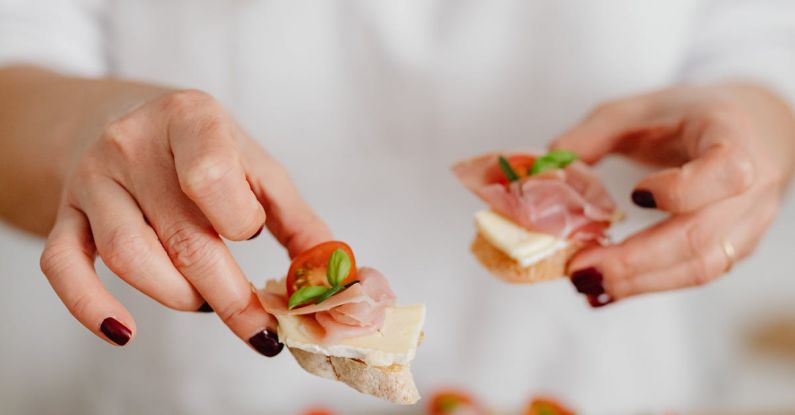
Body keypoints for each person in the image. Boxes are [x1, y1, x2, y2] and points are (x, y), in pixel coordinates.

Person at [1, 1, 794, 413]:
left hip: (599, 376)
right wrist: (88, 136)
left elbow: (759, 40)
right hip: (195, 389)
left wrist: (754, 126)